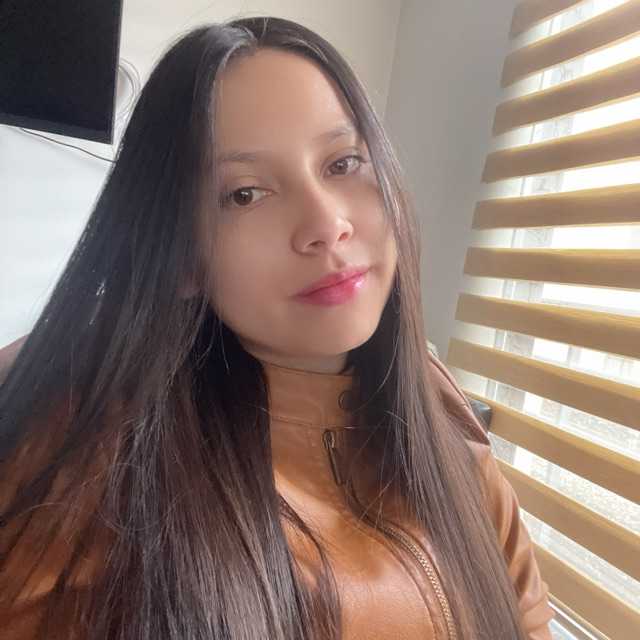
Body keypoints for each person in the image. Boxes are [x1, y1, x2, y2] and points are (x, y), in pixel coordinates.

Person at [0, 16, 555, 640]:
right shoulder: (97, 469)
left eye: (344, 162)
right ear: (182, 258)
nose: (326, 224)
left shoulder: (439, 404)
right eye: (246, 194)